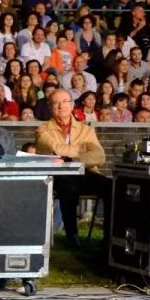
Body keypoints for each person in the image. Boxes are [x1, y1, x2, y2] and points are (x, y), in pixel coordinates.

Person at [34, 88, 107, 245]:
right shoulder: (42, 130)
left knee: (111, 186)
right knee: (67, 184)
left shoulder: (86, 130)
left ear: (72, 105)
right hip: (57, 175)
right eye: (56, 102)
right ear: (50, 106)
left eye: (65, 101)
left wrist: (73, 159)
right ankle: (71, 235)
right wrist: (82, 150)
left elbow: (99, 156)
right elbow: (54, 148)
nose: (61, 106)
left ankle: (109, 238)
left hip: (84, 172)